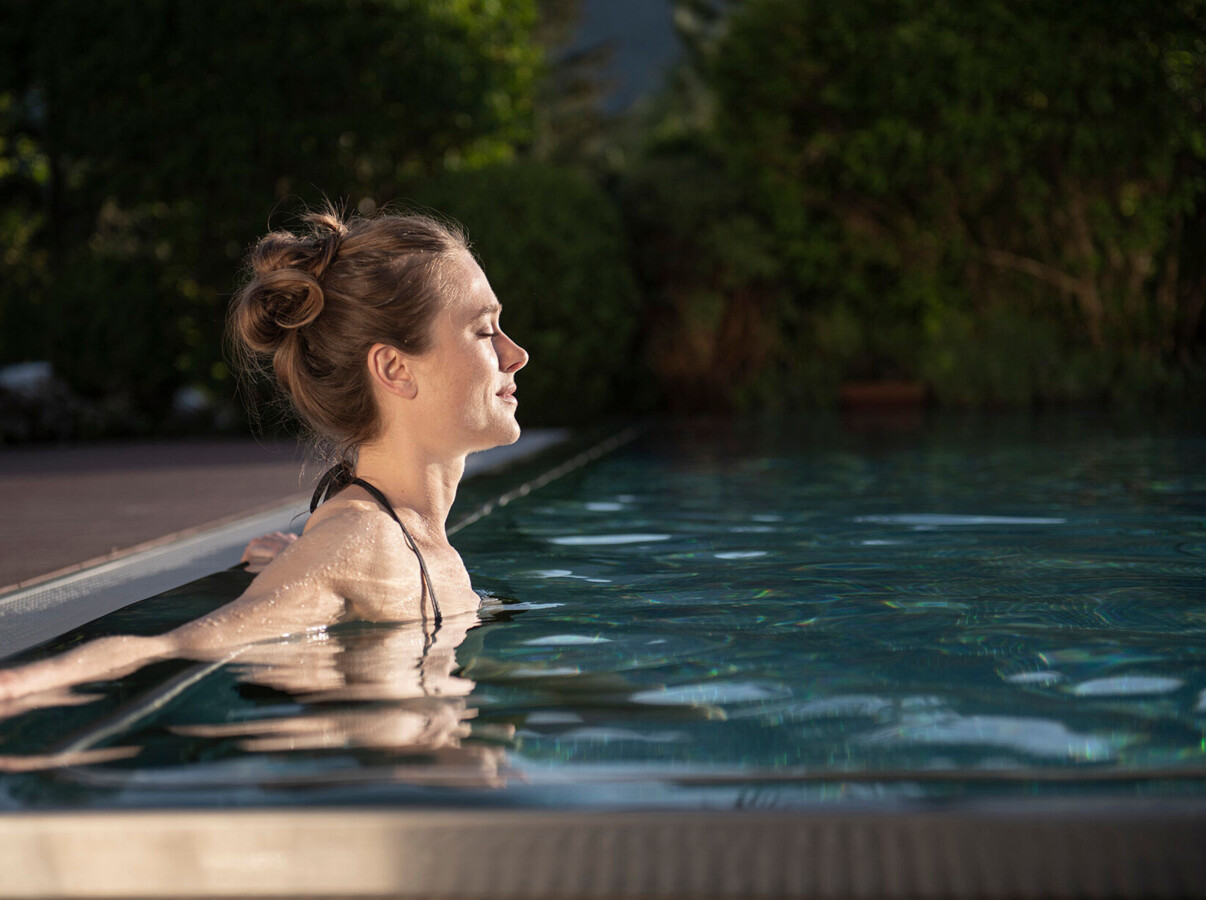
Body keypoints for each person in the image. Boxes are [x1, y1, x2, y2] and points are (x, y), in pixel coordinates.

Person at [0, 206, 528, 705]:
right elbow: (174, 647)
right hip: (391, 788)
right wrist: (25, 682)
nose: (515, 354)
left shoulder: (387, 539)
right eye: (485, 330)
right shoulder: (365, 541)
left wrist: (297, 564)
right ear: (395, 369)